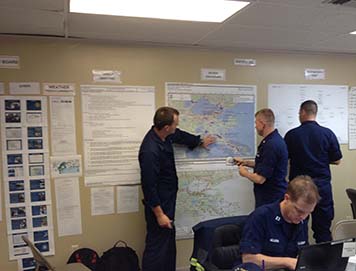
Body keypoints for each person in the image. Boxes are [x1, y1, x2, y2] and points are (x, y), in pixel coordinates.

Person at [139, 106, 215, 271]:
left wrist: (199, 141)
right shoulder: (150, 150)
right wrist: (159, 214)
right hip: (158, 205)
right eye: (175, 124)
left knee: (167, 245)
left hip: (167, 200)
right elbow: (148, 186)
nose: (176, 127)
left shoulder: (164, 136)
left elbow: (180, 135)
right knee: (156, 247)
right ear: (166, 127)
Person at [284, 100, 342, 243]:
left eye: (299, 113)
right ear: (314, 113)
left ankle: (300, 262)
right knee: (323, 229)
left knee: (298, 226)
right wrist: (321, 159)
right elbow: (337, 160)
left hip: (299, 188)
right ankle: (325, 261)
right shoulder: (327, 134)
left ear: (303, 112)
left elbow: (285, 158)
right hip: (322, 187)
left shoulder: (292, 135)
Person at [238, 175, 320, 271]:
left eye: (308, 212)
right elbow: (249, 259)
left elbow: (301, 255)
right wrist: (287, 262)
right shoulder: (261, 217)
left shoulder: (301, 220)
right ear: (286, 198)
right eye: (299, 211)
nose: (303, 216)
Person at [234, 108, 288, 208]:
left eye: (256, 123)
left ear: (262, 124)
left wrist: (244, 173)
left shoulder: (271, 145)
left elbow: (260, 179)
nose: (255, 126)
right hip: (268, 196)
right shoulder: (271, 141)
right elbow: (266, 165)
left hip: (271, 198)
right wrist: (246, 163)